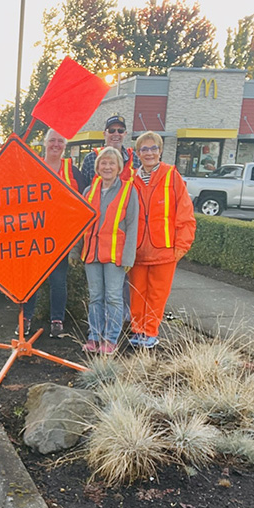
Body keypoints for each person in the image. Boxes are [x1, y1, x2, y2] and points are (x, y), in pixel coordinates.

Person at [127, 131, 196, 348]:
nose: (149, 153)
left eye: (153, 148)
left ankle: (150, 332)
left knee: (157, 294)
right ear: (138, 153)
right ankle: (138, 330)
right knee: (137, 292)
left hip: (164, 249)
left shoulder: (171, 176)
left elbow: (185, 215)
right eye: (144, 149)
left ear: (160, 150)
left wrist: (181, 247)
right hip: (137, 250)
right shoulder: (130, 178)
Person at [22, 129, 86, 338]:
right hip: (34, 235)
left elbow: (84, 202)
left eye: (60, 141)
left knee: (58, 281)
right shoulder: (32, 167)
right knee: (31, 280)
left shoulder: (72, 171)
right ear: (44, 143)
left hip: (60, 238)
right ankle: (25, 320)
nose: (55, 144)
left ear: (65, 146)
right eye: (52, 140)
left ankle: (57, 321)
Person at [80, 147, 139, 354]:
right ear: (97, 167)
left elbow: (133, 225)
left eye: (111, 163)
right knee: (95, 296)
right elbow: (81, 223)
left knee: (114, 297)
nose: (107, 167)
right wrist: (74, 252)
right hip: (91, 253)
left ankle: (111, 339)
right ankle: (94, 337)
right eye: (103, 163)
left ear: (118, 168)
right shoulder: (89, 191)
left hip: (116, 255)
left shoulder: (129, 190)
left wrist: (129, 256)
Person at [80, 114, 139, 189]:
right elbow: (82, 189)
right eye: (112, 130)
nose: (116, 134)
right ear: (104, 134)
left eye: (120, 131)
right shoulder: (90, 158)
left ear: (125, 134)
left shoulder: (135, 158)